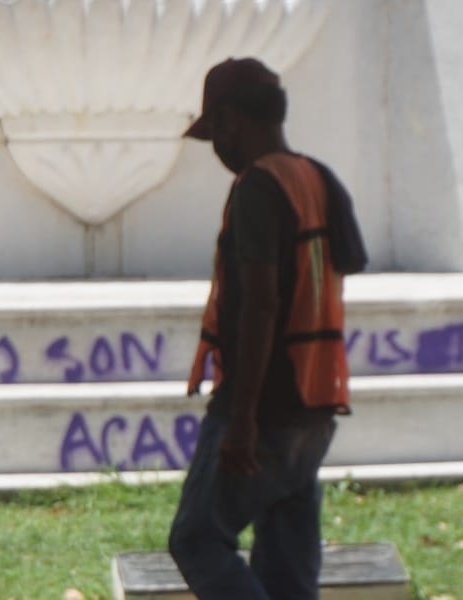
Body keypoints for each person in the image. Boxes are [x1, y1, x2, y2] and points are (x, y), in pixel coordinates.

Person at [168, 57, 367, 600]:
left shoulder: (259, 186)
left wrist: (243, 419)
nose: (217, 148)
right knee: (286, 565)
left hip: (267, 404)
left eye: (216, 131)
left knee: (198, 539)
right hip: (316, 403)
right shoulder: (317, 177)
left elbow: (260, 303)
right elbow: (348, 260)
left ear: (231, 121)